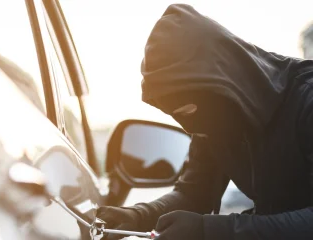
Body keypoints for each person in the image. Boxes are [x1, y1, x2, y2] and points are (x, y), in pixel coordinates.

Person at [97, 4, 313, 240]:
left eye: (188, 110)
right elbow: (194, 193)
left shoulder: (306, 100)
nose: (190, 127)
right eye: (176, 116)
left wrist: (210, 229)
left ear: (222, 82)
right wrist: (139, 216)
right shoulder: (213, 121)